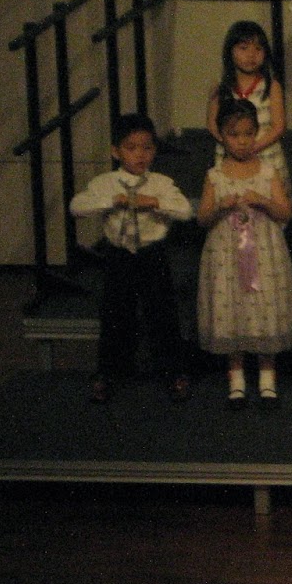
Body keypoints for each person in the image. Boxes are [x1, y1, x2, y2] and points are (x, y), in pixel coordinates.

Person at [69, 113, 193, 404]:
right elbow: (77, 207)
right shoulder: (106, 183)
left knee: (162, 313)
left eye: (147, 147)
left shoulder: (161, 183)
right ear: (116, 151)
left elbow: (185, 211)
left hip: (152, 254)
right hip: (119, 255)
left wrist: (156, 203)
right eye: (131, 148)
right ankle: (109, 373)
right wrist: (111, 202)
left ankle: (173, 372)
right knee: (115, 314)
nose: (140, 154)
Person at [196, 99, 292, 408]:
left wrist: (263, 201)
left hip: (263, 250)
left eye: (247, 134)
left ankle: (268, 378)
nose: (242, 142)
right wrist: (220, 207)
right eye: (234, 135)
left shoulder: (268, 172)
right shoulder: (215, 175)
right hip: (227, 252)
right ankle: (237, 378)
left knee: (262, 305)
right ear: (222, 136)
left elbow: (285, 213)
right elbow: (202, 218)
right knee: (232, 307)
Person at [206, 20, 287, 185]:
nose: (251, 55)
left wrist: (252, 148)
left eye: (258, 49)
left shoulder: (271, 85)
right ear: (230, 52)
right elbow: (213, 125)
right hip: (230, 155)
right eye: (243, 48)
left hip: (265, 154)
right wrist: (233, 147)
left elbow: (278, 126)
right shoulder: (221, 88)